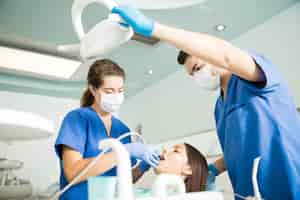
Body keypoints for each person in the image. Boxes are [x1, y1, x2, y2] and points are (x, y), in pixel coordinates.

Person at [111, 5, 300, 199]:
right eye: (191, 74)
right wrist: (213, 169)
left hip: (287, 187)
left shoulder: (256, 78)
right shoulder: (220, 108)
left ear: (212, 56)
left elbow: (226, 56)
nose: (196, 77)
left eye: (197, 68)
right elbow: (241, 149)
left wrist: (154, 29)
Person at [54, 59, 159, 200]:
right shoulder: (77, 119)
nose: (116, 96)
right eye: (109, 91)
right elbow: (72, 172)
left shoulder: (122, 129)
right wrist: (125, 151)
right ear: (93, 89)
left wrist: (143, 167)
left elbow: (123, 180)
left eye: (120, 91)